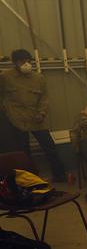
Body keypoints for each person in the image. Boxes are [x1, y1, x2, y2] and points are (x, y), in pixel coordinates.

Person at [0, 49, 67, 182]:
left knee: (50, 147)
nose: (26, 64)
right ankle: (30, 180)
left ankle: (60, 175)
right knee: (24, 152)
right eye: (22, 61)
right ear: (15, 63)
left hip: (36, 118)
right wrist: (5, 111)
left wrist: (42, 113)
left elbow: (44, 99)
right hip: (16, 119)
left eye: (28, 61)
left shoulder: (38, 78)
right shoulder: (5, 77)